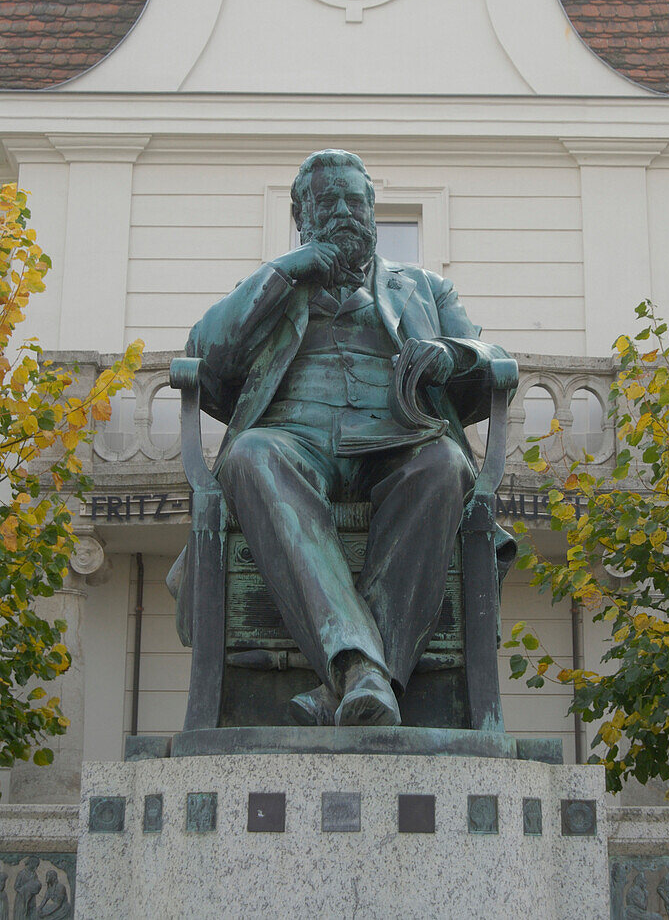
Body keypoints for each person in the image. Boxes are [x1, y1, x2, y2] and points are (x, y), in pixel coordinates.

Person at [177, 149, 515, 726]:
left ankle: (355, 678)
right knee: (251, 455)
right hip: (294, 441)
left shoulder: (425, 290)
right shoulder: (270, 289)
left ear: (373, 209)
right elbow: (205, 355)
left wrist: (450, 356)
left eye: (355, 200)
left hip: (397, 444)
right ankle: (364, 672)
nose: (343, 212)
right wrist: (289, 273)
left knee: (443, 464)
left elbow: (494, 363)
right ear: (300, 213)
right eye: (326, 200)